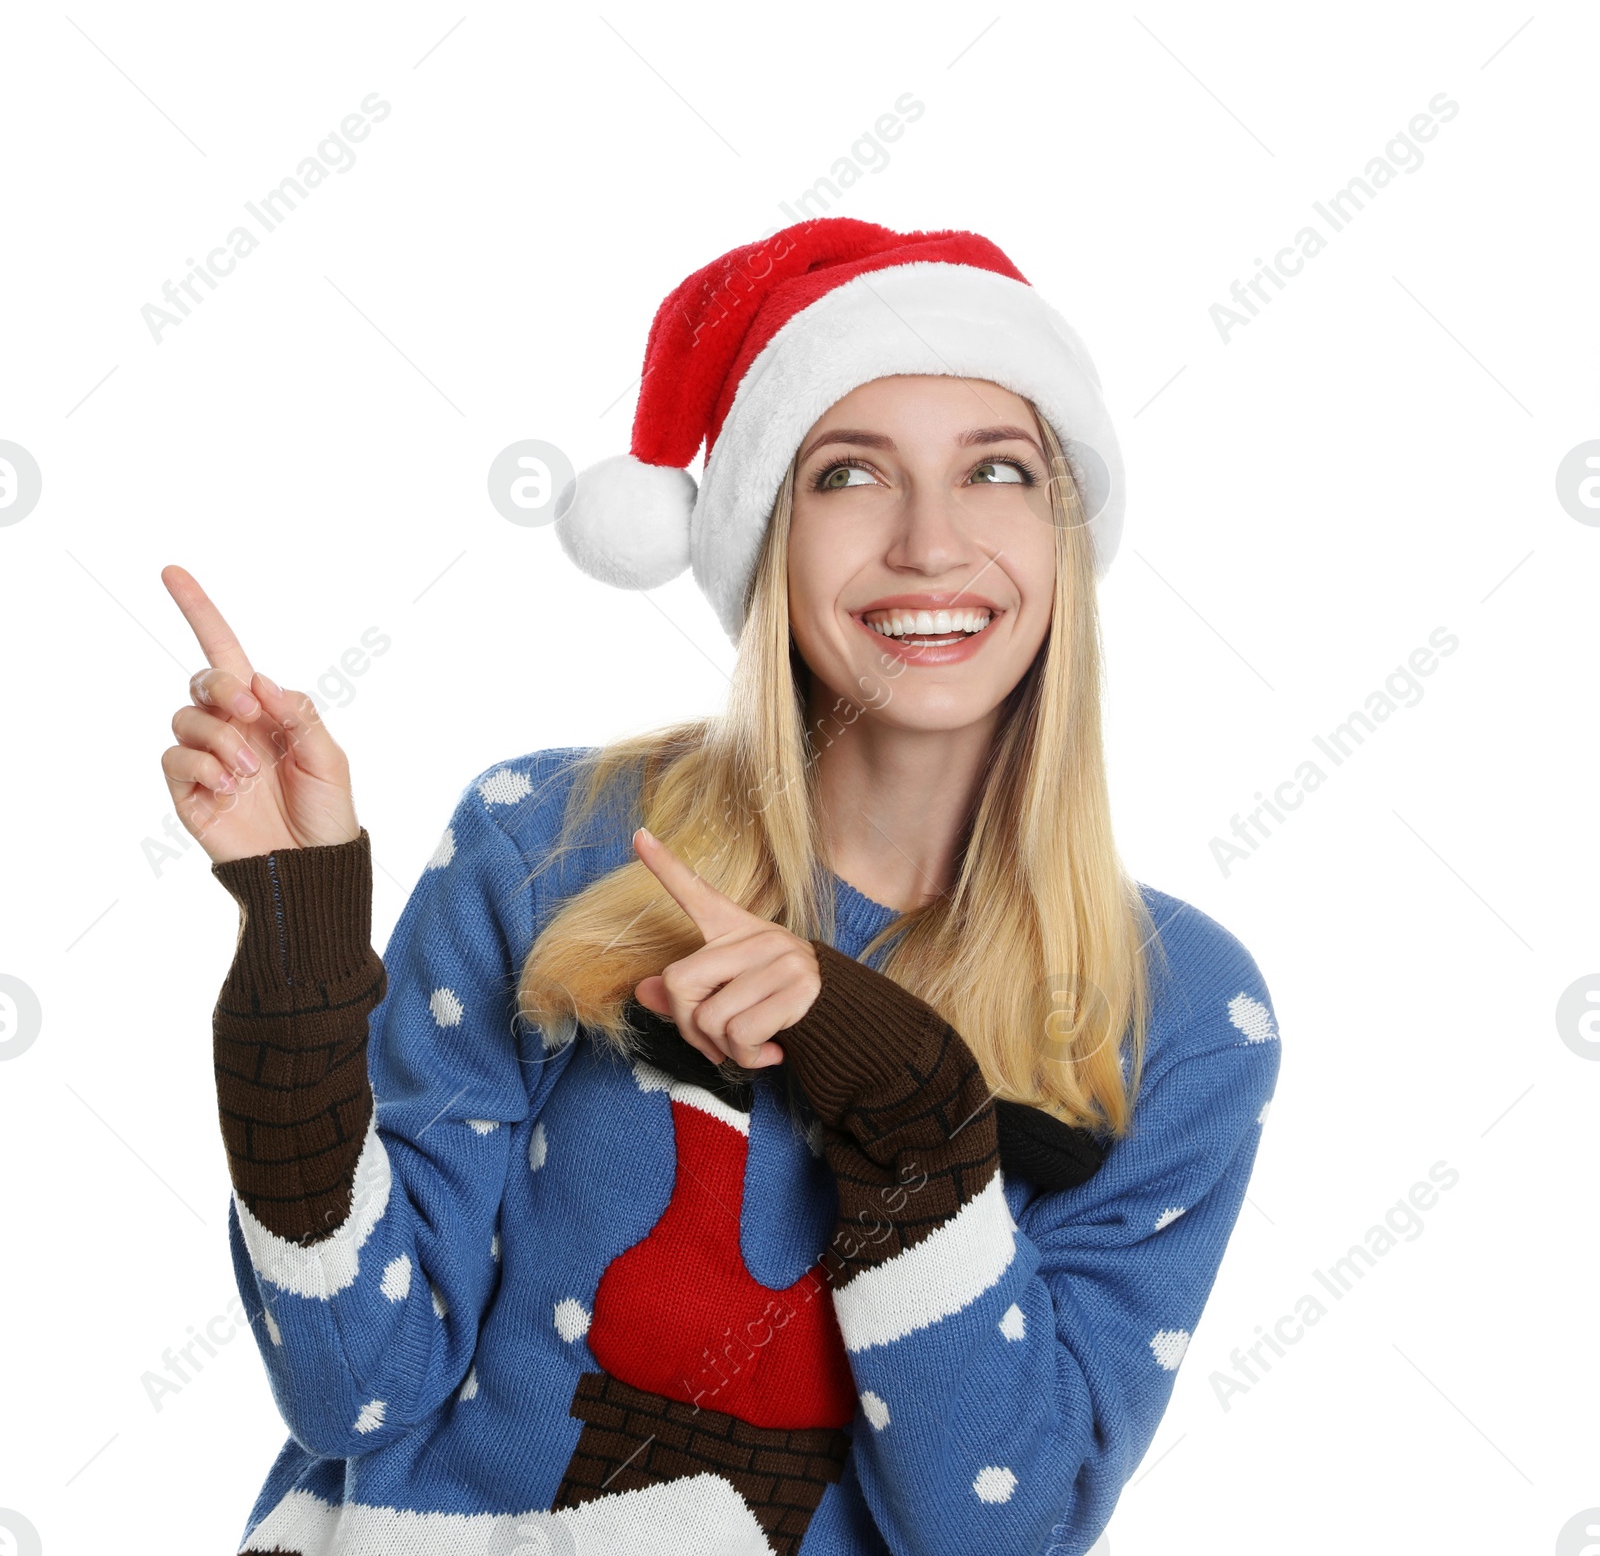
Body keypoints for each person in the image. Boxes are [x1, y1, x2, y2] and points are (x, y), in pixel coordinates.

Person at [160, 218, 1281, 1556]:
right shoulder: (545, 841)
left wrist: (913, 1114)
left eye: (997, 470)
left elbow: (1001, 1531)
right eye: (849, 474)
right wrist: (299, 947)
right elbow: (358, 1382)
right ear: (761, 536)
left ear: (1062, 531)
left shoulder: (1185, 1009)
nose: (931, 542)